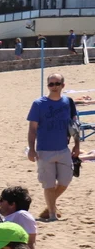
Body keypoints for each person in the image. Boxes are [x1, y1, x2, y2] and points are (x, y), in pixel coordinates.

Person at [27, 73, 81, 221]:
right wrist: (31, 149)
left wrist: (77, 145)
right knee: (48, 185)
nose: (54, 87)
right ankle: (52, 214)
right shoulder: (38, 104)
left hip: (63, 149)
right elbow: (32, 129)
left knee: (65, 181)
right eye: (51, 84)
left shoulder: (68, 102)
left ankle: (49, 205)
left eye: (57, 84)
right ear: (48, 86)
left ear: (63, 85)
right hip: (44, 151)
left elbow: (75, 126)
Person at [0, 185, 41, 249]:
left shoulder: (22, 215)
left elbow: (30, 242)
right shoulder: (13, 217)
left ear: (12, 204)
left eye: (2, 200)